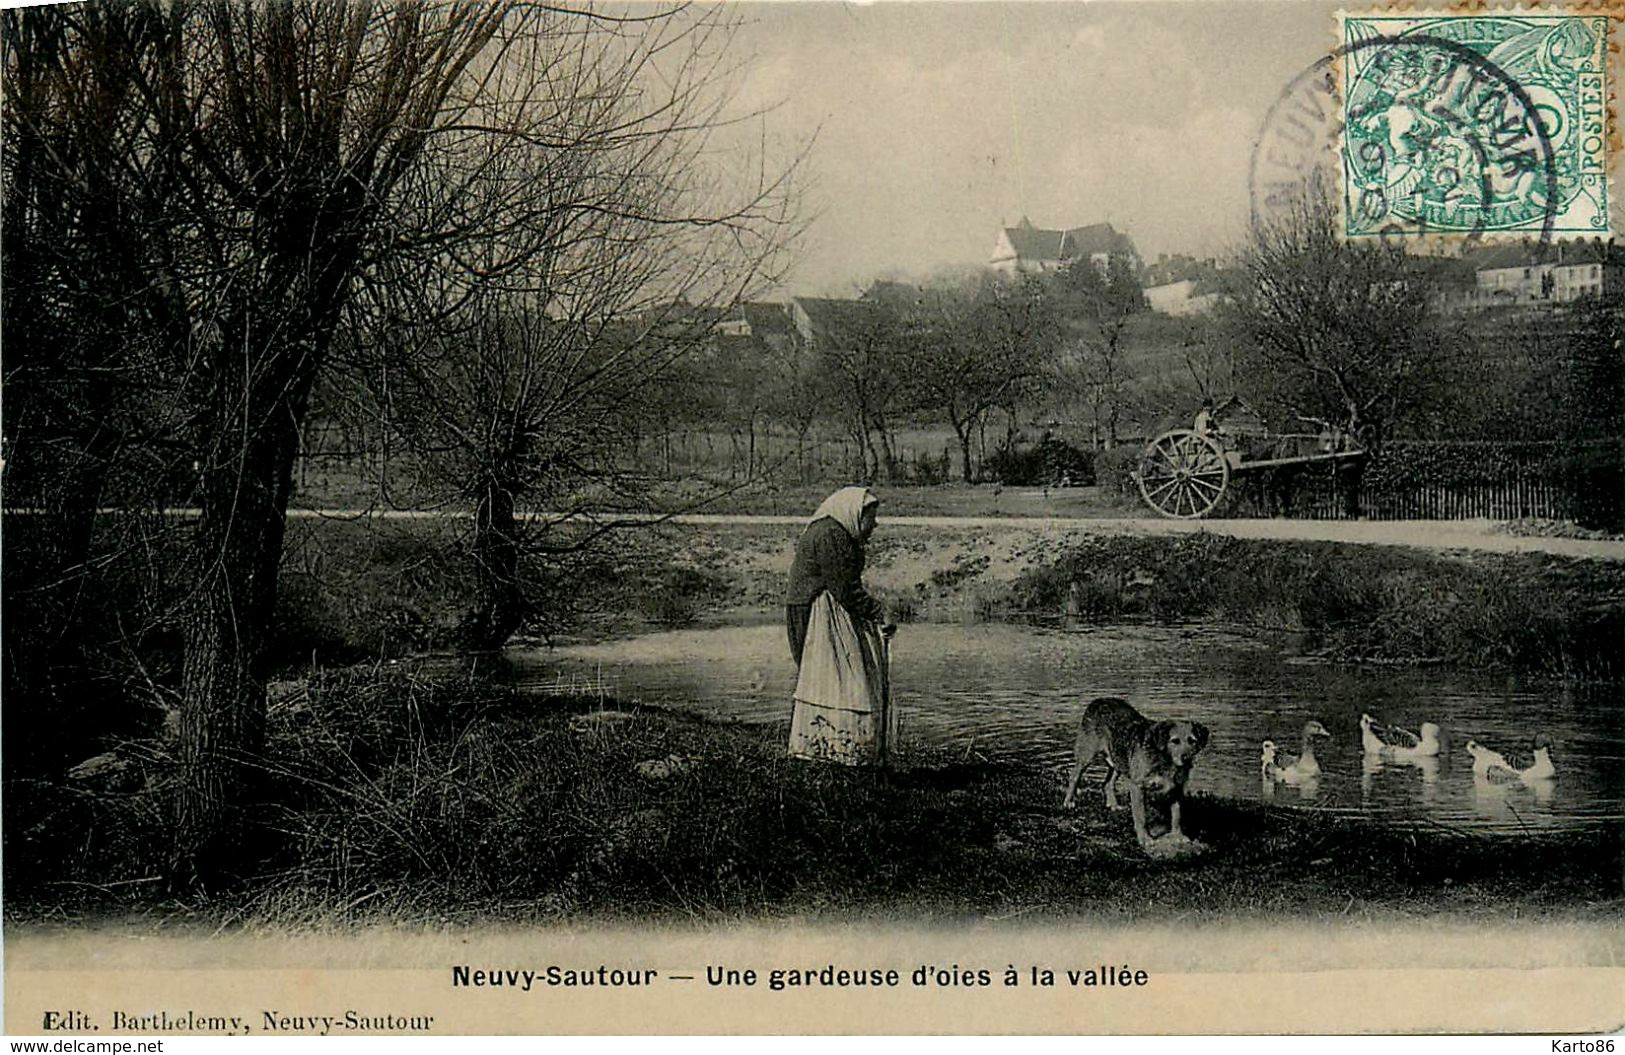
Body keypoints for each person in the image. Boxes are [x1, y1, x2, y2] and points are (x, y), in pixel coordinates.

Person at [784, 486, 896, 766]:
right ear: (854, 514)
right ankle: (836, 751)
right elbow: (844, 588)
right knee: (840, 680)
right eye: (871, 517)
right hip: (815, 613)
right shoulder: (830, 535)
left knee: (833, 679)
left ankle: (829, 749)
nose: (875, 524)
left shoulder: (836, 532)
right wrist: (878, 611)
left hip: (822, 609)